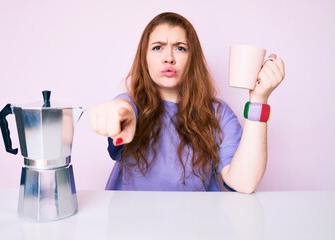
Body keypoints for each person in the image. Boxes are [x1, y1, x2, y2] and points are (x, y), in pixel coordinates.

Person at [90, 12, 285, 193]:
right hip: (133, 224)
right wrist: (117, 112)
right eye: (158, 47)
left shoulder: (218, 113)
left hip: (198, 226)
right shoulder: (131, 104)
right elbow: (123, 108)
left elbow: (244, 182)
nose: (169, 58)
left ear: (193, 59)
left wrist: (259, 99)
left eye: (180, 48)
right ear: (144, 58)